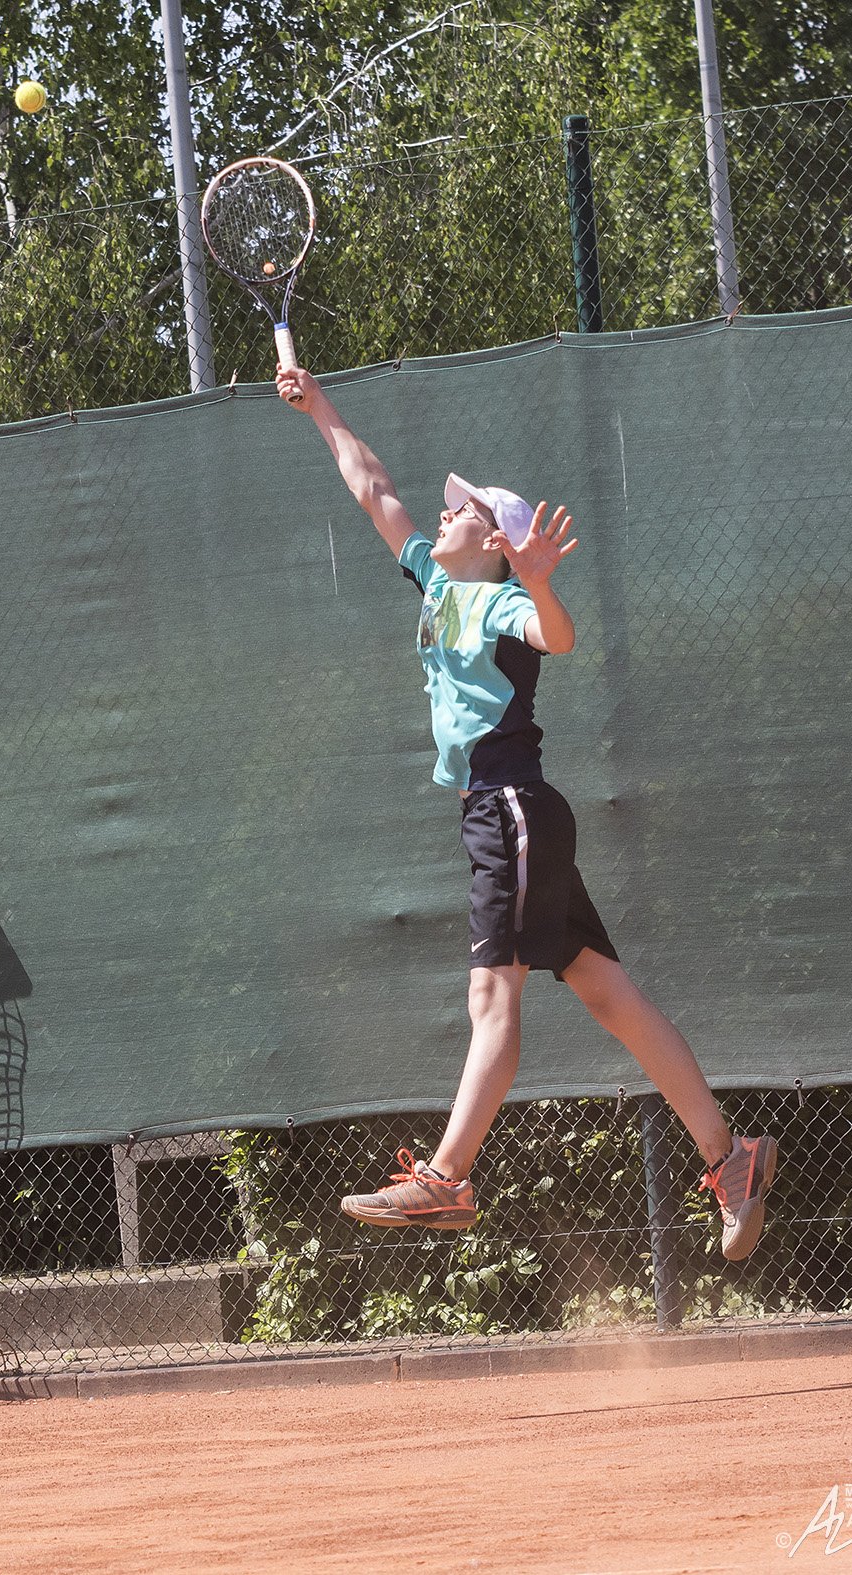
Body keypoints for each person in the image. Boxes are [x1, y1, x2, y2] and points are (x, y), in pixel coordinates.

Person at [277, 364, 777, 1261]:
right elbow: (372, 487)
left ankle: (446, 1176)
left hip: (509, 808)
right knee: (609, 994)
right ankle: (731, 1158)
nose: (444, 514)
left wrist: (541, 581)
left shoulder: (507, 598)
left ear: (498, 539)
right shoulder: (435, 581)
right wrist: (319, 407)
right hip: (517, 815)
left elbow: (560, 635)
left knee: (491, 996)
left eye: (463, 509)